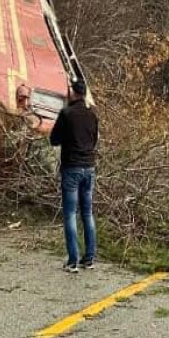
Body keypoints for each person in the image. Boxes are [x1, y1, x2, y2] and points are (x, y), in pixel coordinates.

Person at [49, 79, 99, 273]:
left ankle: (72, 260)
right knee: (87, 213)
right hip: (89, 168)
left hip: (72, 168)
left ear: (73, 94)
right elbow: (94, 140)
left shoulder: (66, 114)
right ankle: (89, 258)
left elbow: (54, 139)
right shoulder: (92, 115)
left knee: (70, 213)